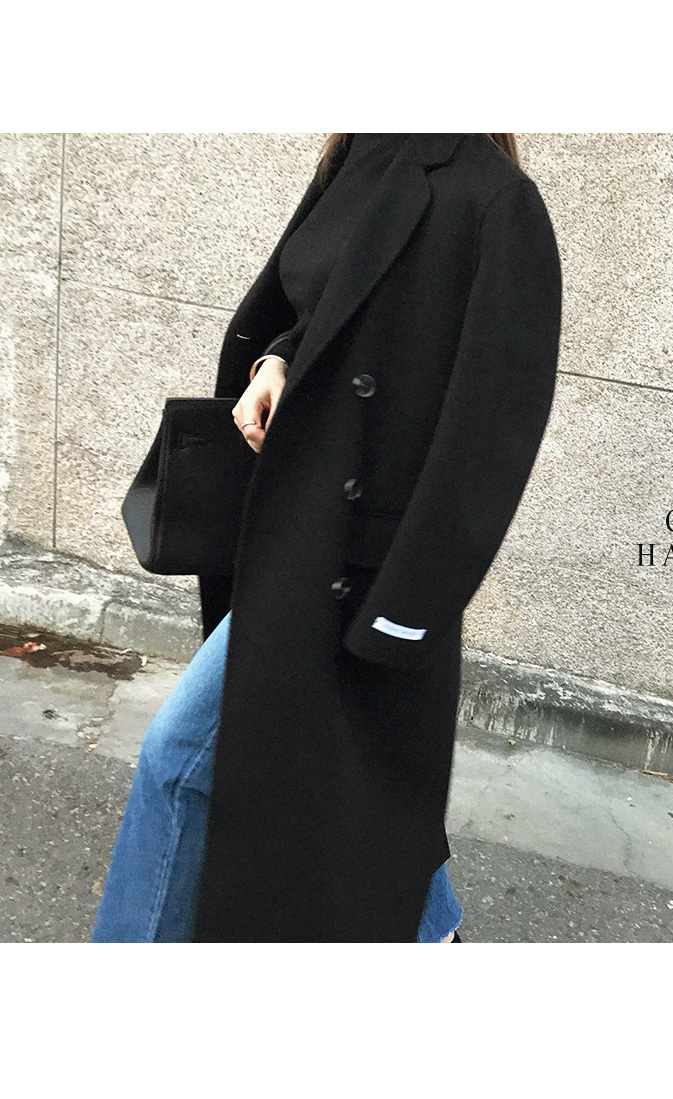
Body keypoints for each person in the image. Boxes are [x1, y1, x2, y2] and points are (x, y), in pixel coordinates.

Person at [92, 133, 563, 942]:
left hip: (356, 570)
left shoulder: (496, 201)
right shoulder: (358, 155)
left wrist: (403, 616)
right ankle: (435, 934)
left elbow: (492, 437)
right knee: (358, 789)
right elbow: (326, 311)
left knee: (182, 759)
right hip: (291, 529)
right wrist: (276, 360)